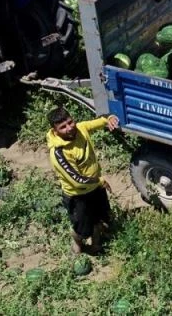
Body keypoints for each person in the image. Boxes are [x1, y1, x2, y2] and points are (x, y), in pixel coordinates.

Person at [47, 106, 120, 254]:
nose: (69, 128)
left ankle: (96, 246)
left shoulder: (81, 128)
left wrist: (109, 119)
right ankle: (77, 243)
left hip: (95, 188)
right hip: (78, 195)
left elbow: (100, 121)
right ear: (55, 131)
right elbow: (77, 180)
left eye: (70, 122)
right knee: (81, 229)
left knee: (100, 219)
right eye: (63, 127)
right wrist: (100, 181)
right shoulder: (59, 153)